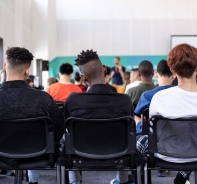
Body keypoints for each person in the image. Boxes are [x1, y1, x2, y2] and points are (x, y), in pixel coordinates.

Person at [61, 50, 134, 184]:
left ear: (83, 77)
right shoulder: (124, 100)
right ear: (104, 69)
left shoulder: (73, 101)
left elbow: (66, 128)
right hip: (119, 156)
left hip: (80, 156)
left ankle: (74, 181)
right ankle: (122, 181)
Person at [0, 47, 64, 184]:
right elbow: (58, 130)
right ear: (27, 70)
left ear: (5, 66)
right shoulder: (44, 99)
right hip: (38, 156)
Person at [137, 44, 197, 184]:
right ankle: (183, 175)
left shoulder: (159, 97)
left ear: (172, 70)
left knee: (139, 141)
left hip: (163, 155)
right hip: (195, 154)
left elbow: (153, 131)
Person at [134, 59, 175, 125]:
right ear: (174, 76)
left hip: (153, 133)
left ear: (156, 74)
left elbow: (136, 116)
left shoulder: (147, 96)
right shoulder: (181, 95)